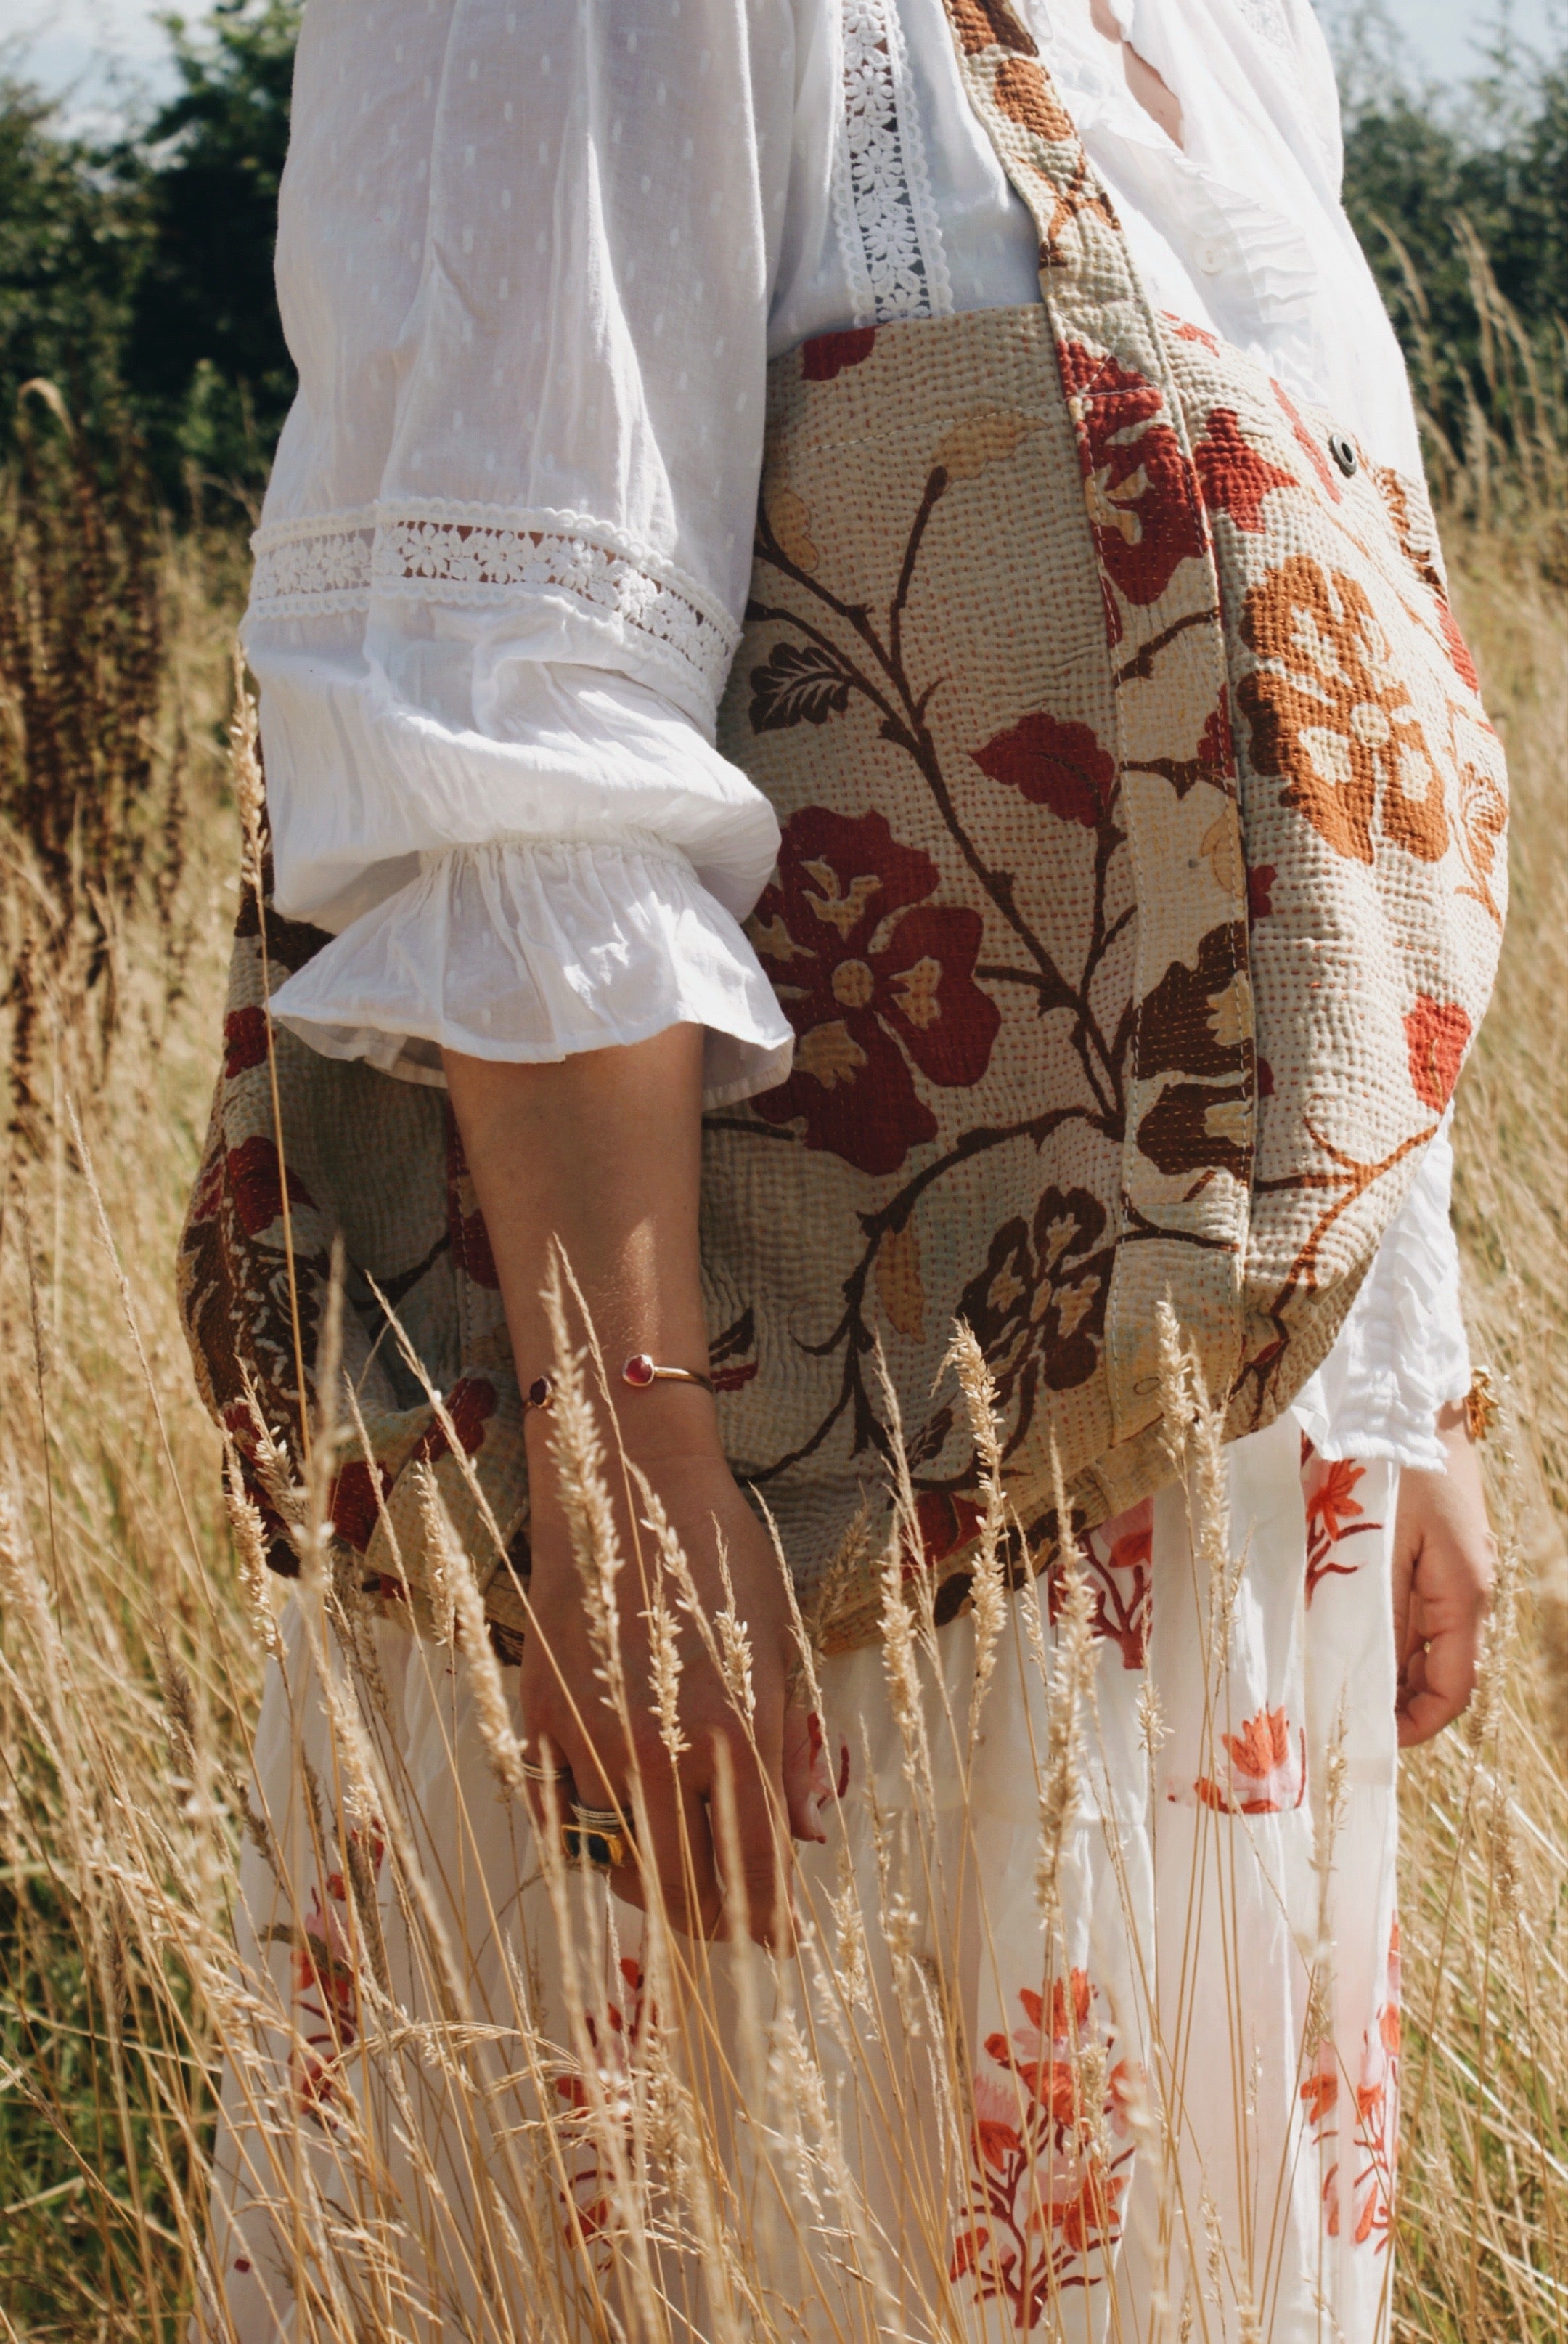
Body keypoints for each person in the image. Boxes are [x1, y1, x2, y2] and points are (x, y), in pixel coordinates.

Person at [191, 1, 1501, 2335]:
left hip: (1195, 1497)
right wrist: (619, 1461)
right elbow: (516, 705)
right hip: (782, 1499)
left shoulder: (1249, 28)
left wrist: (1391, 1369)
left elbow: (1311, 746)